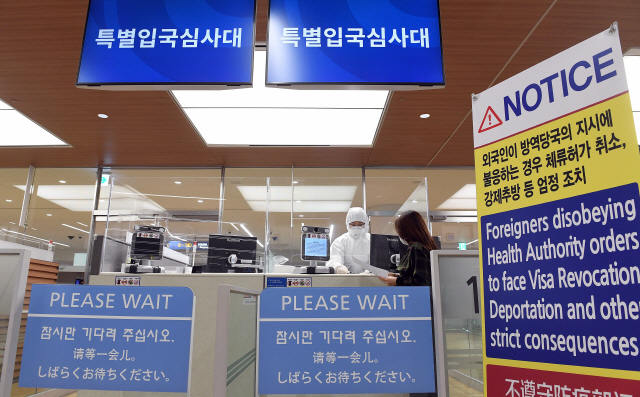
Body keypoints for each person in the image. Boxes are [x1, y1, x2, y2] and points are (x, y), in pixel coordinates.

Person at [378, 210, 437, 286]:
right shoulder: (426, 245)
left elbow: (421, 282)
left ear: (406, 231)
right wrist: (397, 277)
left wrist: (397, 281)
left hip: (416, 296)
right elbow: (415, 276)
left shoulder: (417, 248)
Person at [326, 207, 370, 274]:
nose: (356, 227)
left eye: (360, 224)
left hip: (369, 282)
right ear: (347, 224)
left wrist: (370, 272)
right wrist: (339, 268)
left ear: (366, 224)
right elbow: (334, 259)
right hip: (346, 281)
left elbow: (378, 261)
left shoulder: (372, 241)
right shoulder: (340, 241)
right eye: (352, 224)